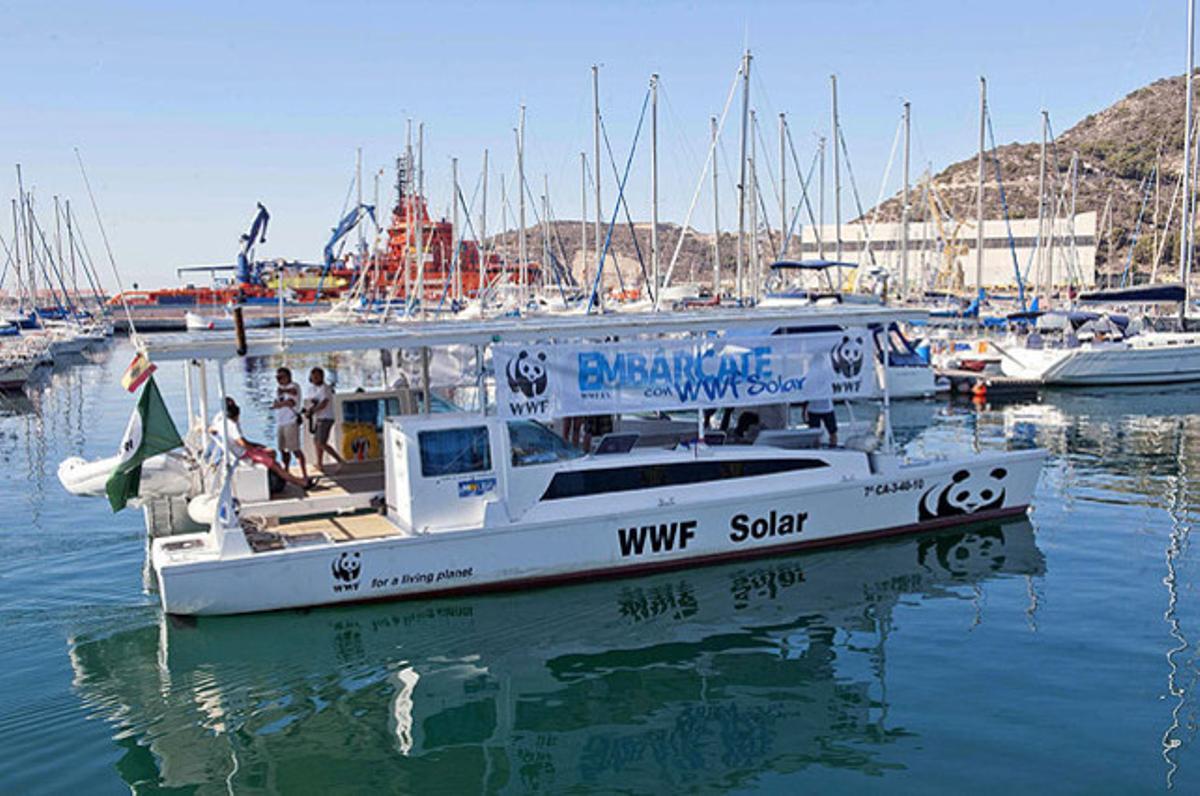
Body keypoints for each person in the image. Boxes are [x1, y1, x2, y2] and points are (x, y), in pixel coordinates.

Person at [209, 397, 315, 493]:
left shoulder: (219, 421)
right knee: (275, 465)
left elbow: (211, 429)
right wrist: (256, 450)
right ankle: (301, 482)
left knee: (272, 452)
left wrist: (258, 446)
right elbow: (242, 443)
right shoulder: (232, 425)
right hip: (244, 453)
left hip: (240, 450)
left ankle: (277, 478)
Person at [306, 367, 344, 471]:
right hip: (319, 418)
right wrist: (310, 411)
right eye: (313, 377)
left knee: (321, 442)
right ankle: (319, 464)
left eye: (317, 376)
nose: (315, 379)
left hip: (327, 418)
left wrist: (313, 411)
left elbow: (323, 404)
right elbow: (313, 402)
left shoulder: (326, 388)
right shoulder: (312, 389)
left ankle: (339, 460)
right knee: (316, 441)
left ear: (322, 377)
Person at [272, 367, 307, 480]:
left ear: (288, 377)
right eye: (277, 377)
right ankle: (286, 470)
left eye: (281, 377)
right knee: (282, 449)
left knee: (295, 449)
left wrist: (280, 403)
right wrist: (279, 403)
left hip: (290, 422)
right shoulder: (279, 388)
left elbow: (291, 401)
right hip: (280, 422)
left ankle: (304, 473)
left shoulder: (294, 386)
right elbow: (278, 402)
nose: (279, 380)